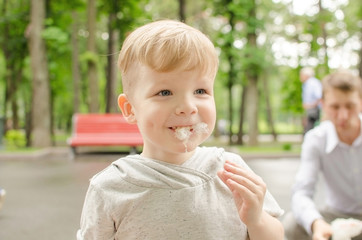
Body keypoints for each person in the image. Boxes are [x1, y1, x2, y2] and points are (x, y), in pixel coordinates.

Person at [77, 20, 284, 240]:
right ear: (130, 108)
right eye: (165, 92)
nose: (188, 107)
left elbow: (276, 236)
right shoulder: (110, 188)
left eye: (200, 90)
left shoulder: (231, 171)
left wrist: (257, 219)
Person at [283, 70, 362, 240]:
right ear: (323, 104)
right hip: (336, 216)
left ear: (361, 103)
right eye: (335, 107)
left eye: (350, 106)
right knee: (292, 224)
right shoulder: (316, 139)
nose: (343, 116)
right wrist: (316, 223)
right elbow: (301, 192)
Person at [300, 67, 323, 134]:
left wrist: (311, 105)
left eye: (301, 75)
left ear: (306, 75)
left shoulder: (312, 83)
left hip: (314, 110)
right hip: (310, 110)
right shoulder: (307, 84)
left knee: (310, 129)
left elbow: (320, 97)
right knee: (307, 127)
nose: (300, 77)